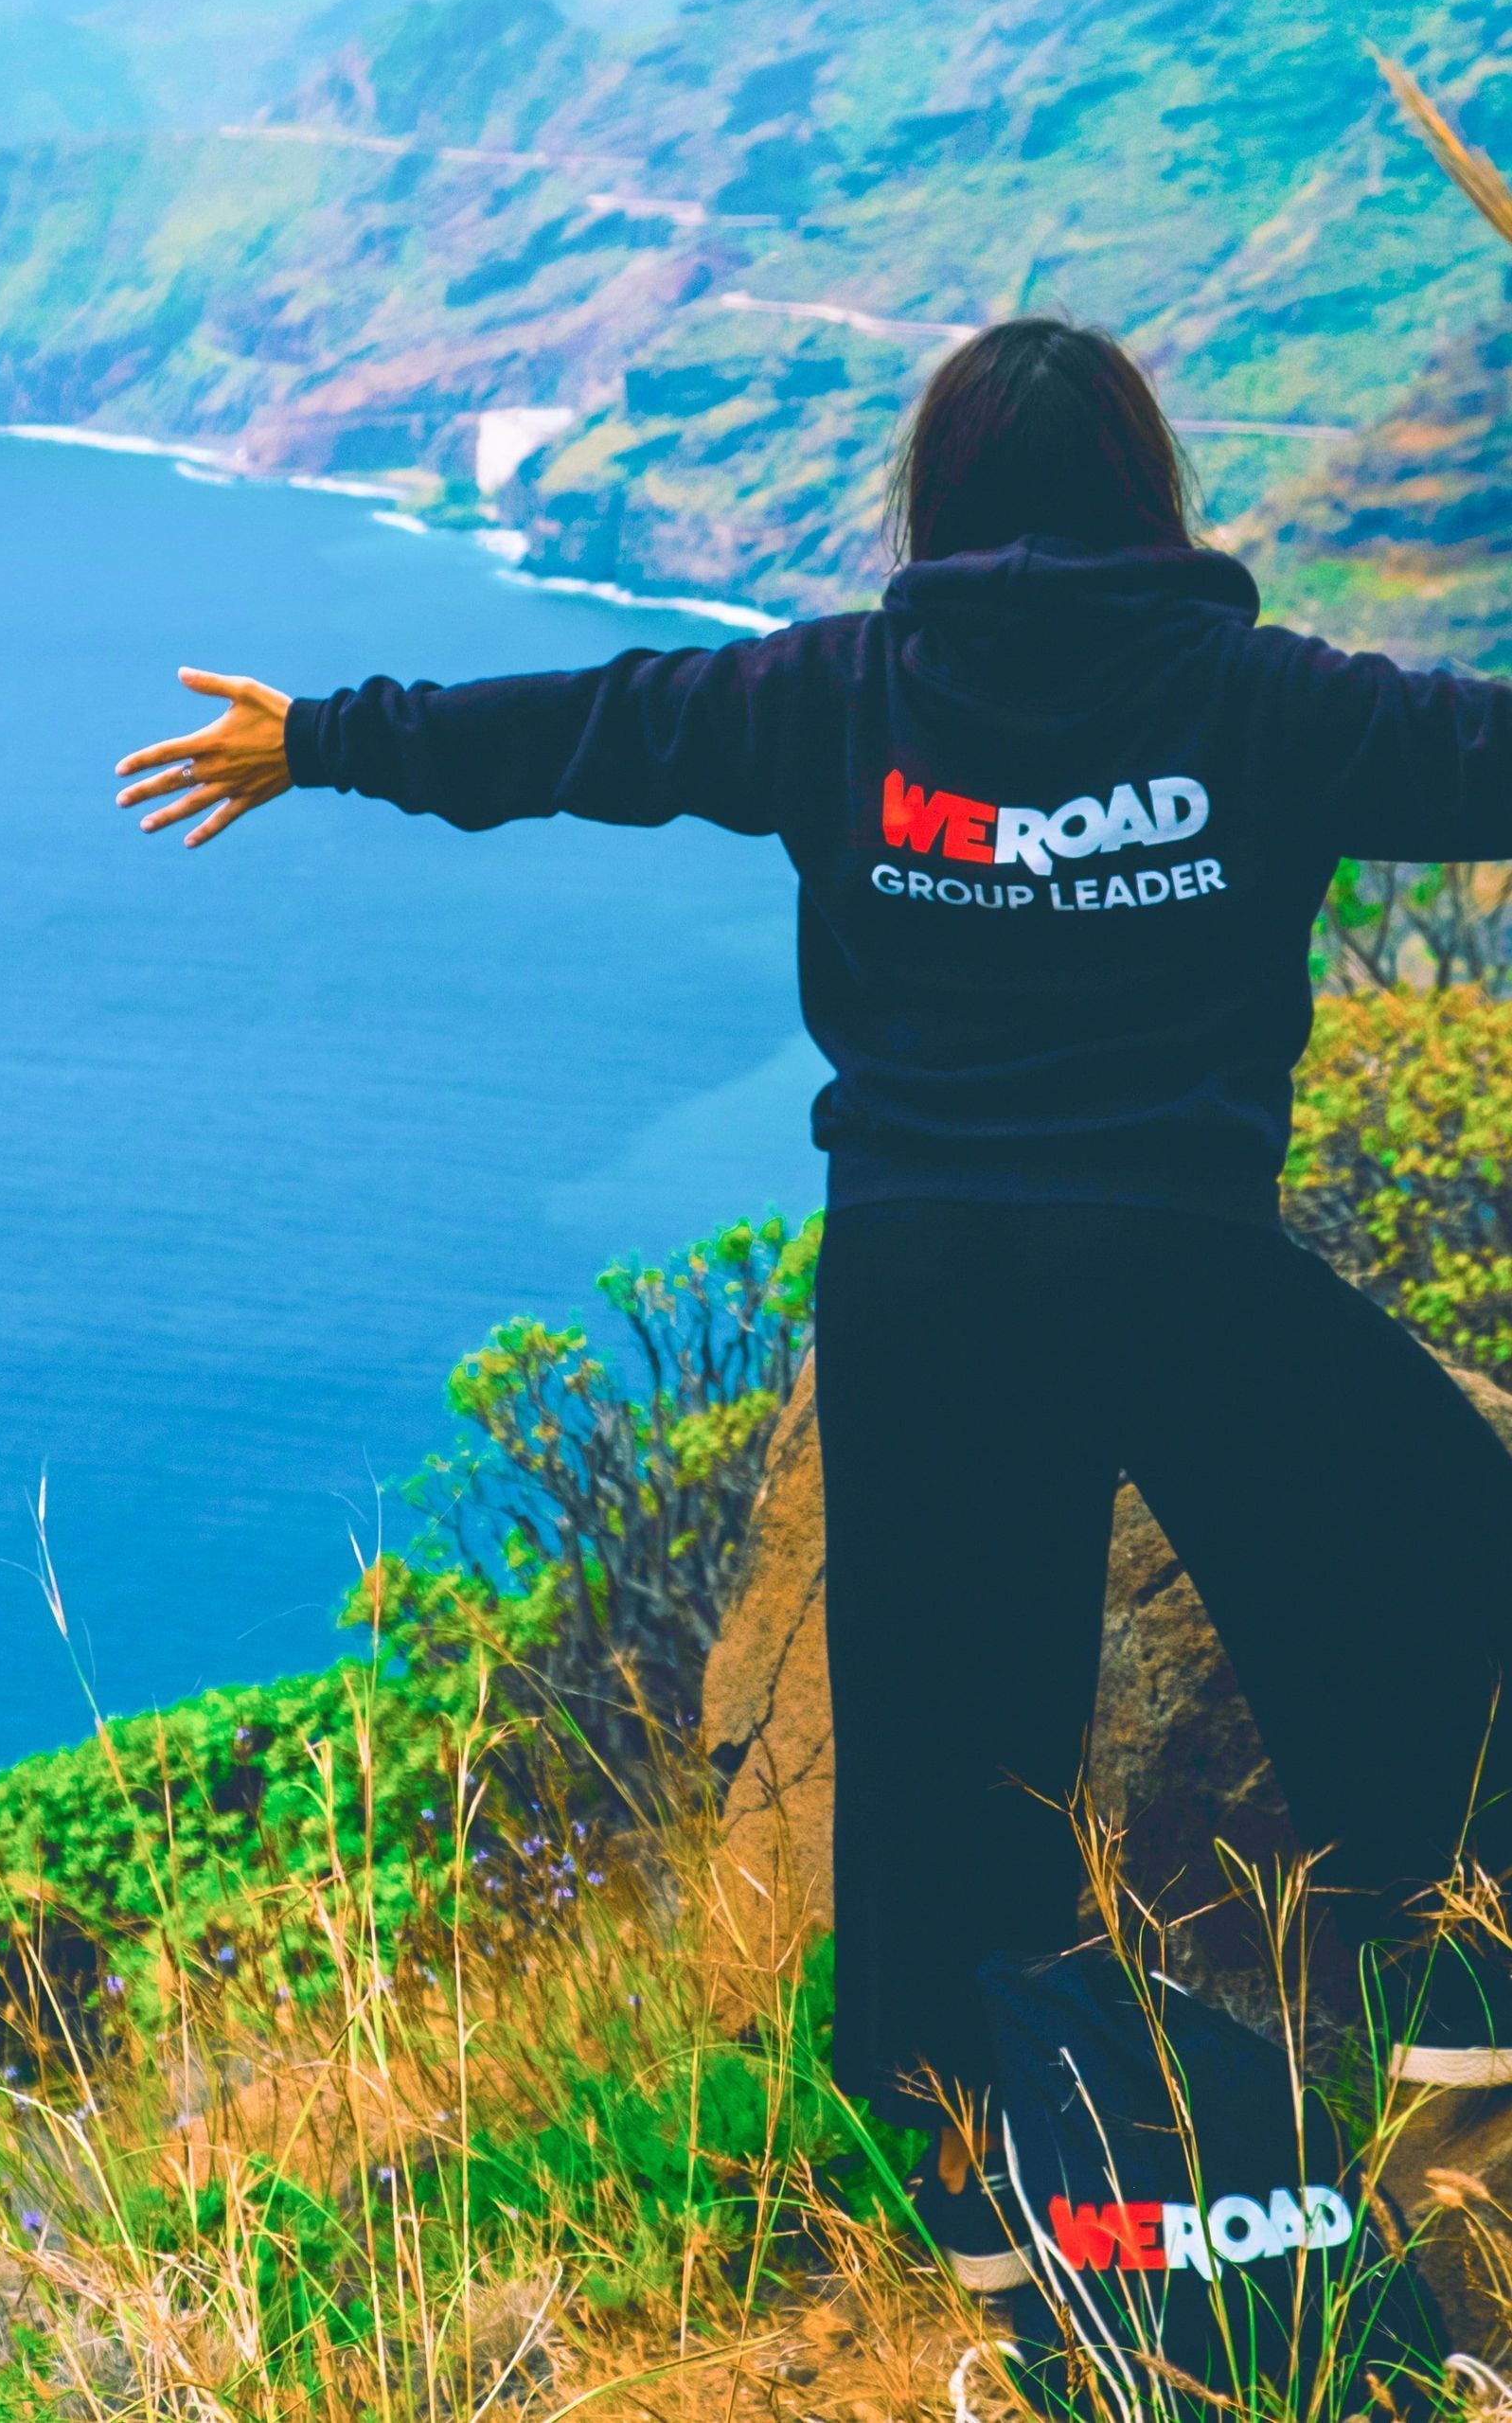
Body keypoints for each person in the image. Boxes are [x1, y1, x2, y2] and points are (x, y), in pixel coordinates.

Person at [116, 313, 1512, 2290]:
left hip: (925, 1275)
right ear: (1147, 487)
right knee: (1447, 1540)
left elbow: (585, 726)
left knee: (957, 1743)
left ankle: (987, 2200)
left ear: (933, 497)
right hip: (1177, 1253)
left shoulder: (835, 690)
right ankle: (1465, 1987)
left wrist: (320, 733)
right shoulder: (1263, 698)